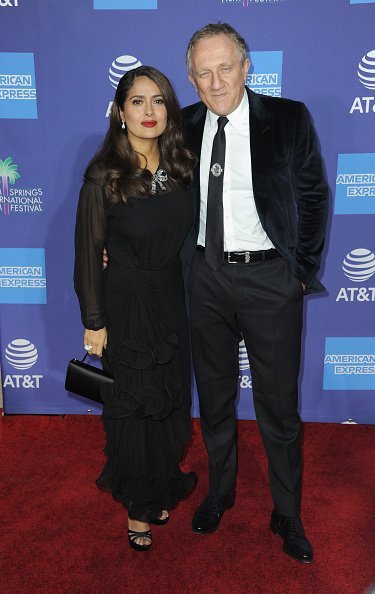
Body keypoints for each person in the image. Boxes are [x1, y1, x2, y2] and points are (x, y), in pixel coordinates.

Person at [181, 23, 329, 563]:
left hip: (270, 280)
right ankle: (220, 494)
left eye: (225, 67)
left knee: (278, 406)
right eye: (204, 72)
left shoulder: (288, 119)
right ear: (193, 79)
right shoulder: (183, 125)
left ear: (247, 67)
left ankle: (287, 512)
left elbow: (314, 195)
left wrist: (299, 271)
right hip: (205, 278)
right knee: (215, 400)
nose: (216, 80)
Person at [74, 66, 197, 552]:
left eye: (159, 101)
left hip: (171, 299)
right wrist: (94, 321)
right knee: (133, 409)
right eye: (138, 102)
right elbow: (88, 250)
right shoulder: (104, 173)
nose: (150, 112)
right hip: (125, 303)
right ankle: (137, 509)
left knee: (167, 403)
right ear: (120, 112)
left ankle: (159, 485)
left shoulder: (182, 166)